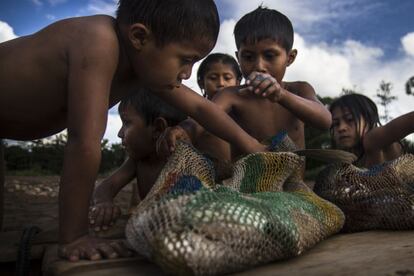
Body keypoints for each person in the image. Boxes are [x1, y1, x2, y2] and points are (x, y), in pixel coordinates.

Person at [0, 0, 266, 261]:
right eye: (186, 60)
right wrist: (74, 237)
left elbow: (200, 109)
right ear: (139, 37)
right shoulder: (98, 42)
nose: (187, 73)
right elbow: (84, 142)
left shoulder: (142, 65)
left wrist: (253, 145)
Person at [159, 6, 331, 160]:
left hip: (293, 189)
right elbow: (202, 118)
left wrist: (281, 95)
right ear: (238, 58)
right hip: (246, 191)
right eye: (248, 57)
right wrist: (183, 130)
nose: (259, 66)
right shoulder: (231, 96)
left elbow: (324, 120)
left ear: (290, 58)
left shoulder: (299, 89)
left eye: (270, 56)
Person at [89, 88, 186, 232]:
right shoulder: (137, 161)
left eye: (127, 123)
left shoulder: (185, 157)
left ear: (158, 129)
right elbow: (106, 188)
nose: (120, 133)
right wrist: (103, 203)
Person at [330, 93, 414, 167]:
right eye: (336, 124)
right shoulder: (350, 156)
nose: (341, 128)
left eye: (350, 119)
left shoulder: (372, 139)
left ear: (369, 119)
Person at [195, 53, 242, 161]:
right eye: (213, 78)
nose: (221, 83)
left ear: (238, 82)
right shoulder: (196, 117)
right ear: (202, 83)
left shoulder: (244, 114)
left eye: (227, 78)